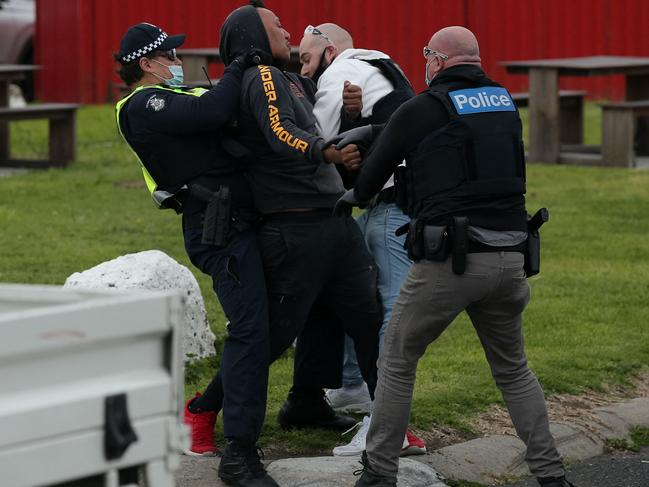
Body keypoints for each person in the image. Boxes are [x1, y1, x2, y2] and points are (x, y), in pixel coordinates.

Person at [335, 26, 575, 487]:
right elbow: (454, 136)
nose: (425, 64)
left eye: (427, 56)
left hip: (451, 261)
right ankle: (551, 475)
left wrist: (351, 195)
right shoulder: (504, 103)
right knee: (514, 369)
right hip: (510, 258)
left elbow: (371, 177)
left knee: (397, 358)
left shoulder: (423, 107)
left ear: (438, 61)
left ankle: (379, 471)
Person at [113, 22, 279, 487]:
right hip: (216, 227)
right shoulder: (145, 102)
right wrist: (239, 68)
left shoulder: (167, 99)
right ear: (146, 64)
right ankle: (236, 449)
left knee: (267, 329)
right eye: (168, 55)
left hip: (237, 219)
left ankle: (206, 412)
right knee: (251, 329)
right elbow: (211, 113)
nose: (177, 63)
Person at [217, 1, 383, 434]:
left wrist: (348, 115)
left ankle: (357, 415)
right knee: (273, 337)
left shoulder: (291, 80)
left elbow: (314, 131)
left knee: (360, 320)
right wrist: (323, 150)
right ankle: (204, 406)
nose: (288, 32)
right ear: (253, 35)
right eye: (276, 25)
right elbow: (280, 132)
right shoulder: (263, 78)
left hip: (330, 219)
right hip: (295, 226)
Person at [299, 23, 426, 458]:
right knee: (357, 293)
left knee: (392, 308)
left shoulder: (341, 73)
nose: (303, 68)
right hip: (384, 203)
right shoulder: (380, 65)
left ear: (329, 52)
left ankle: (387, 424)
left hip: (394, 204)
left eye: (306, 59)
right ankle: (353, 385)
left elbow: (314, 140)